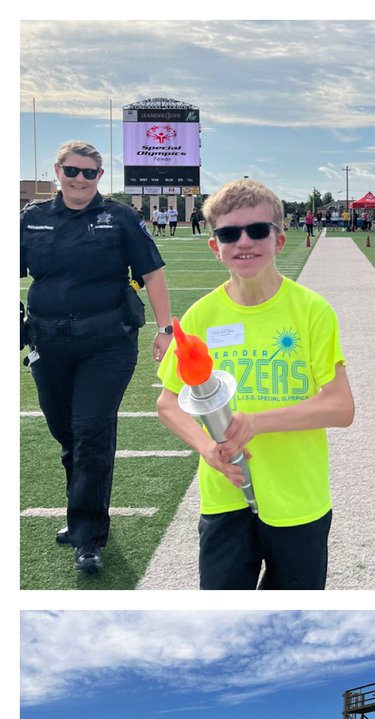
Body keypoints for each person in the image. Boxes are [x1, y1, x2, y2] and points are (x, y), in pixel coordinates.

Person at [156, 178, 355, 590]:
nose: (243, 242)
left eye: (257, 230)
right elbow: (168, 403)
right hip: (225, 495)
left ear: (279, 240)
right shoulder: (200, 316)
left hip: (298, 496)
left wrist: (258, 422)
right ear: (215, 246)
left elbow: (340, 407)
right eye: (229, 233)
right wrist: (207, 447)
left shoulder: (311, 311)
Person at [20, 140, 174, 574]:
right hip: (48, 343)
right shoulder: (32, 220)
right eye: (72, 171)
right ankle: (81, 511)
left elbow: (152, 273)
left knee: (90, 430)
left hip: (107, 341)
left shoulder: (119, 217)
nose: (79, 179)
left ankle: (87, 535)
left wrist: (165, 329)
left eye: (89, 173)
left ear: (100, 177)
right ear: (58, 171)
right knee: (66, 432)